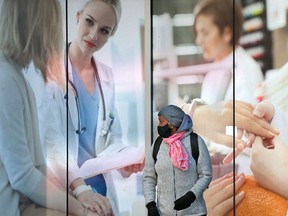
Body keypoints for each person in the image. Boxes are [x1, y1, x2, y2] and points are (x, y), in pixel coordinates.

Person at [0, 0, 99, 215]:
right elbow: (23, 176)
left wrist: (77, 201)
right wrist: (80, 208)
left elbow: (37, 166)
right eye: (52, 24)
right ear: (36, 26)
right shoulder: (5, 79)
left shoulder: (17, 78)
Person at [46, 0, 144, 215]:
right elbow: (50, 140)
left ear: (110, 35)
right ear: (78, 16)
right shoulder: (49, 68)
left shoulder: (106, 76)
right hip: (67, 192)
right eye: (89, 22)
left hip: (101, 194)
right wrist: (80, 189)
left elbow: (111, 139)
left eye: (104, 31)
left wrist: (125, 163)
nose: (93, 35)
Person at [143, 105, 212, 216]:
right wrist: (151, 205)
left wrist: (191, 196)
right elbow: (149, 177)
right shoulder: (157, 144)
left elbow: (206, 175)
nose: (159, 126)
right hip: (163, 213)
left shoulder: (196, 142)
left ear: (171, 124)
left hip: (194, 213)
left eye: (161, 122)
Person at [193, 0, 263, 103]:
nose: (198, 41)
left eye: (205, 33)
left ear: (227, 33)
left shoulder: (245, 72)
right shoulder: (215, 68)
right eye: (197, 33)